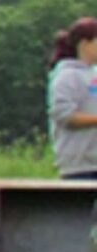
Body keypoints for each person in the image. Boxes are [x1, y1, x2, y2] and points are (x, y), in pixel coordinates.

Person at [49, 18, 97, 180]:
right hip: (79, 166)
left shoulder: (94, 74)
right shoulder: (66, 76)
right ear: (85, 44)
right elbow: (65, 116)